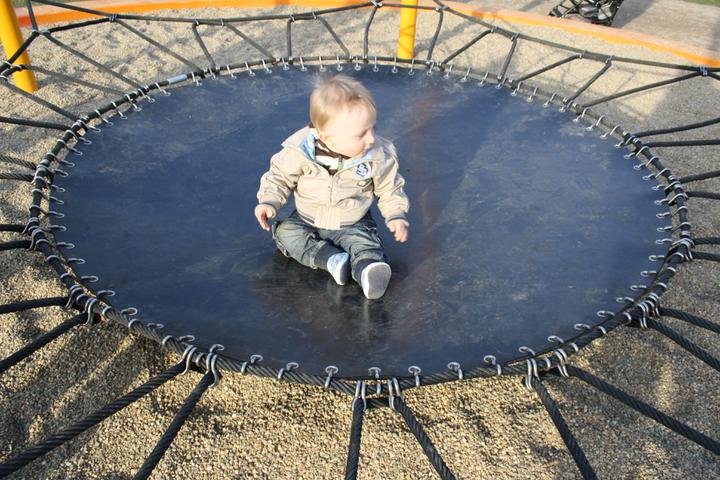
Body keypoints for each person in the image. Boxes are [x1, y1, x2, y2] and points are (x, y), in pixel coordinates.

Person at [254, 74, 409, 299]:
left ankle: (368, 269)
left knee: (364, 243)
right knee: (286, 233)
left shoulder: (377, 156)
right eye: (361, 134)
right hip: (307, 219)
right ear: (327, 137)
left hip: (352, 221)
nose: (371, 139)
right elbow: (279, 177)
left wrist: (395, 214)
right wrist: (269, 201)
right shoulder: (299, 151)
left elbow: (389, 188)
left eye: (372, 128)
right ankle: (331, 260)